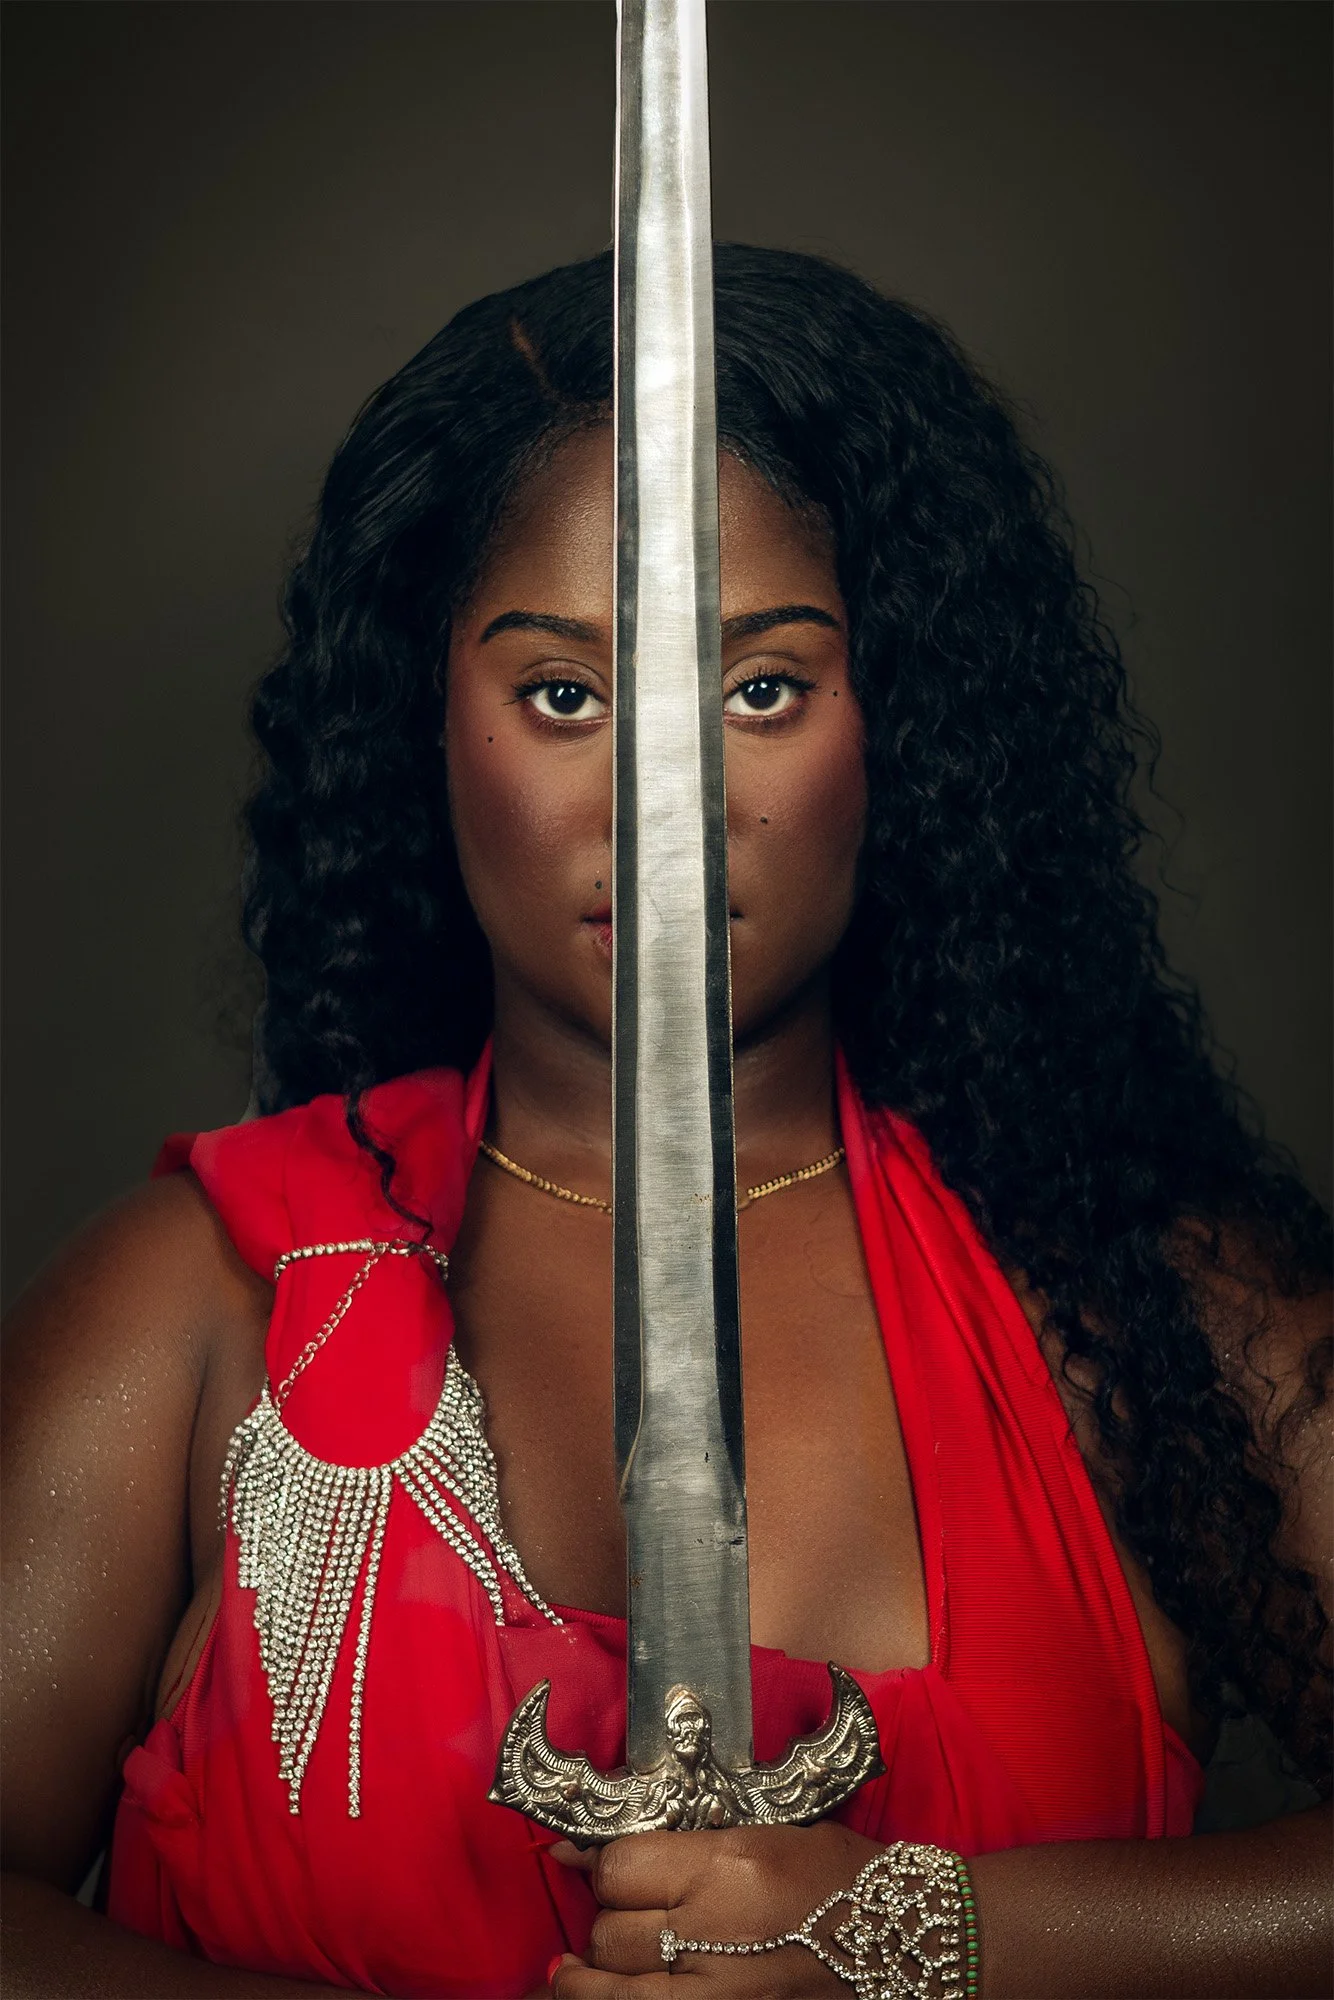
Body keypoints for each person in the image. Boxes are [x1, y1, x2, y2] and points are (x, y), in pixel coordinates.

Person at [1, 247, 1328, 1999]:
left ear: (901, 729)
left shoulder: (1147, 1313)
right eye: (564, 691)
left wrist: (919, 1934)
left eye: (760, 686)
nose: (665, 802)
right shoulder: (194, 1303)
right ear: (430, 728)